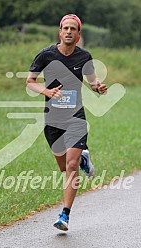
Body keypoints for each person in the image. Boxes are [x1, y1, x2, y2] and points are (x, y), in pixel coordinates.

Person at [26, 14, 107, 231]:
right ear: (60, 32)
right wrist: (46, 91)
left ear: (78, 35)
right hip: (52, 120)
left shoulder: (84, 57)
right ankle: (84, 158)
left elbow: (92, 82)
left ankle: (65, 215)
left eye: (73, 29)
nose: (69, 31)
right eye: (66, 28)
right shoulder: (46, 55)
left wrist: (98, 87)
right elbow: (30, 82)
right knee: (64, 167)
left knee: (71, 167)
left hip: (75, 119)